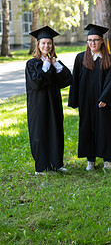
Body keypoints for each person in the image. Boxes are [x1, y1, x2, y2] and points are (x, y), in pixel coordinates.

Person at [68, 24, 111, 170]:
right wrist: (75, 100)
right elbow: (75, 80)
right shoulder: (80, 58)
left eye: (95, 40)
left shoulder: (109, 59)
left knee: (105, 129)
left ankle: (108, 160)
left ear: (102, 41)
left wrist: (105, 98)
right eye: (89, 40)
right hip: (86, 101)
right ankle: (90, 160)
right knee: (87, 128)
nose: (92, 43)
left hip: (103, 102)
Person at [25, 26, 73, 175]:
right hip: (38, 105)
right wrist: (46, 65)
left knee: (55, 132)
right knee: (40, 134)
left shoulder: (54, 63)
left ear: (52, 45)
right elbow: (36, 83)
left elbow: (67, 79)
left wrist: (55, 64)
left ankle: (56, 164)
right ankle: (41, 167)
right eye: (43, 43)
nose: (47, 46)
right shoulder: (32, 64)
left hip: (53, 104)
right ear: (38, 45)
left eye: (49, 43)